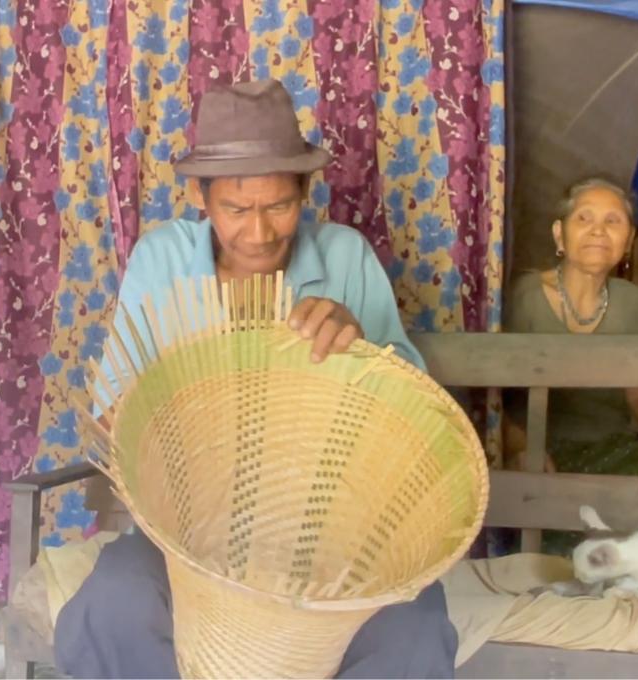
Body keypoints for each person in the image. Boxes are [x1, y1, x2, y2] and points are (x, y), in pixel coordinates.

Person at [54, 79, 458, 679]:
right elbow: (116, 407)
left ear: (305, 191)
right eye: (236, 210)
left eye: (279, 206)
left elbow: (416, 418)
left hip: (332, 536)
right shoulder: (162, 260)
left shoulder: (344, 257)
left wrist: (361, 347)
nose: (260, 233)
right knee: (114, 601)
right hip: (187, 537)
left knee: (415, 622)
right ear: (200, 196)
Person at [503, 178, 638, 483]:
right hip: (537, 454)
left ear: (628, 240)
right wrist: (518, 445)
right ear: (559, 235)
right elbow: (489, 395)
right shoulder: (524, 296)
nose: (598, 229)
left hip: (611, 449)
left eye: (613, 221)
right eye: (584, 217)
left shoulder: (631, 301)